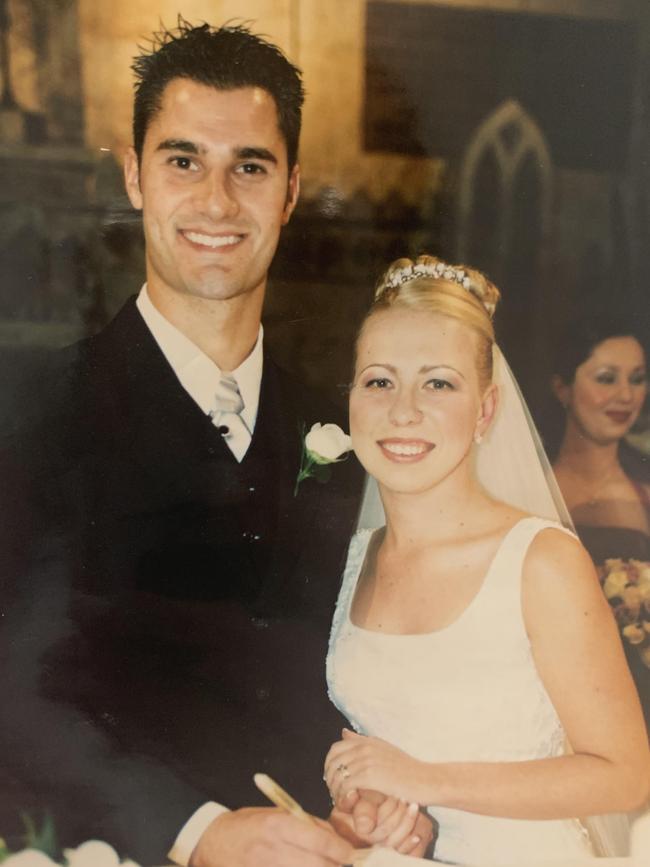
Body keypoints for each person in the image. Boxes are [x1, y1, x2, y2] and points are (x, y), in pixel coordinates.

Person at [0, 21, 433, 867]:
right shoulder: (32, 410)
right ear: (132, 175)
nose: (217, 203)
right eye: (182, 160)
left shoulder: (349, 433)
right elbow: (14, 691)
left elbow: (352, 671)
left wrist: (379, 794)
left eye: (251, 166)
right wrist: (198, 831)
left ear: (293, 188)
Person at [324, 255, 650, 865]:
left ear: (487, 411)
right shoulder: (358, 555)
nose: (402, 410)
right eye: (379, 380)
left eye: (439, 382)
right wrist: (367, 812)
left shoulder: (540, 561)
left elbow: (624, 776)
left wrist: (425, 780)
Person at [550, 316, 650, 729]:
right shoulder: (531, 490)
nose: (626, 395)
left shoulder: (644, 486)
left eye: (638, 378)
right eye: (607, 378)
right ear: (563, 389)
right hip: (562, 706)